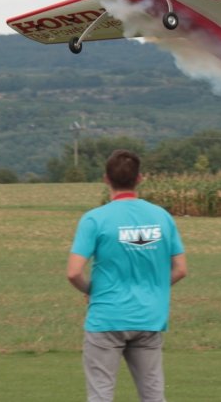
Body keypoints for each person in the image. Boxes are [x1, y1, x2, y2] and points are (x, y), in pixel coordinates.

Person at [67, 149, 187, 402]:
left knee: (101, 394)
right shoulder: (162, 217)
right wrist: (156, 287)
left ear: (106, 179)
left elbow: (74, 272)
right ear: (139, 178)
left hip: (107, 317)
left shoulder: (95, 219)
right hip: (149, 317)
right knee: (153, 395)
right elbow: (180, 269)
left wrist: (91, 291)